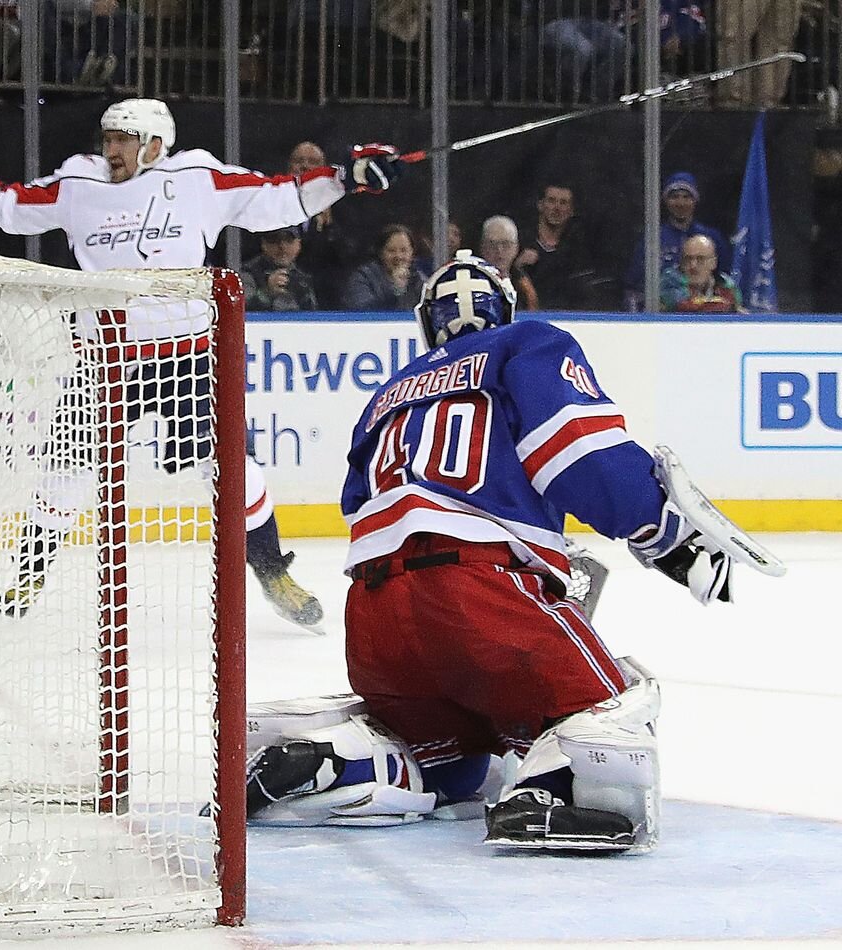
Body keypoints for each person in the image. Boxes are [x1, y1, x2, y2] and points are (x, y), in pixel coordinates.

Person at [244, 250, 743, 850]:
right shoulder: (525, 345)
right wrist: (663, 534)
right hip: (480, 595)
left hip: (376, 617)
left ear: (427, 322)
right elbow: (580, 453)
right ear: (503, 309)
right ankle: (551, 792)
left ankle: (335, 762)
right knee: (618, 703)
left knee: (451, 764)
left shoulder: (385, 399)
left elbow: (362, 508)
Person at [0, 98, 404, 629]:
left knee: (236, 467)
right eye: (107, 138)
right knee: (64, 473)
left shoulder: (197, 179)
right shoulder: (79, 184)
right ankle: (30, 572)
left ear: (155, 145)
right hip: (102, 361)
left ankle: (272, 569)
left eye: (122, 139)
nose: (110, 148)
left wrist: (347, 176)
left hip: (184, 358)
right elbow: (8, 205)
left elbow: (282, 199)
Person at [623, 170, 731, 310]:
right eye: (674, 197)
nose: (680, 203)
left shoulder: (711, 237)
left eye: (686, 197)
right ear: (665, 201)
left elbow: (725, 277)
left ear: (695, 200)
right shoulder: (652, 239)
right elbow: (633, 284)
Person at [284, 141, 357, 310]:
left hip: (328, 301)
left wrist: (329, 227)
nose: (305, 166)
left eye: (313, 161)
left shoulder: (342, 207)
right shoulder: (273, 203)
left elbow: (351, 255)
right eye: (299, 161)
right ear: (289, 166)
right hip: (283, 300)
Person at [516, 182, 596, 310]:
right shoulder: (518, 242)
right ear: (540, 205)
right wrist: (518, 265)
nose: (557, 208)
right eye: (551, 201)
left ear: (571, 211)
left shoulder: (578, 251)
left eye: (563, 203)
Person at [340, 224, 424, 312]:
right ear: (381, 253)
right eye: (391, 251)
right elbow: (364, 312)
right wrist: (396, 291)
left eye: (404, 250)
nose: (398, 256)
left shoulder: (418, 279)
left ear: (412, 253)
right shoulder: (363, 278)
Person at [661, 234, 744, 313]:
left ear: (713, 263)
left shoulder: (726, 285)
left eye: (700, 259)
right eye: (688, 259)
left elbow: (736, 309)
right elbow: (683, 306)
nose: (693, 265)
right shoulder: (670, 281)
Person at [241, 228, 319, 311]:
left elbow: (315, 315)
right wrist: (267, 293)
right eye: (275, 240)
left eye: (289, 241)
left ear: (298, 244)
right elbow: (241, 311)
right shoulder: (248, 272)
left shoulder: (305, 274)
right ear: (264, 244)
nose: (282, 247)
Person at [478, 215, 539, 311]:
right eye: (492, 244)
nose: (499, 250)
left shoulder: (525, 285)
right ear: (483, 247)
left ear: (516, 248)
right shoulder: (474, 281)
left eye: (506, 244)